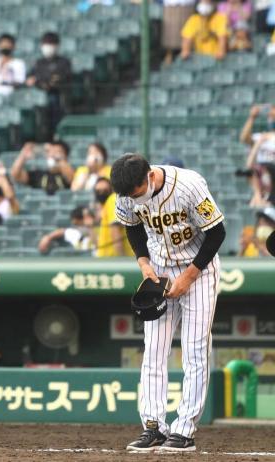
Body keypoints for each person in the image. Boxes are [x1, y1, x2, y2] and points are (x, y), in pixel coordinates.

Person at [112, 154, 225, 453]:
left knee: (195, 351)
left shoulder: (189, 185)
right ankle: (153, 426)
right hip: (160, 270)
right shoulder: (126, 194)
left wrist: (189, 277)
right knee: (154, 351)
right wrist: (143, 262)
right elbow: (132, 226)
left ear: (149, 177)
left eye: (136, 192)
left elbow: (217, 233)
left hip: (197, 269)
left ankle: (184, 429)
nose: (133, 199)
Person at [26, 32, 71, 134]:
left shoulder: (63, 62)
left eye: (50, 44)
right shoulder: (39, 62)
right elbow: (30, 79)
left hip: (55, 94)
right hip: (37, 93)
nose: (47, 47)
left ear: (57, 46)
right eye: (45, 44)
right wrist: (40, 82)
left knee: (52, 101)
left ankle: (54, 132)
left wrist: (40, 81)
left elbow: (57, 79)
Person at [93, 178, 127, 257]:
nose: (101, 193)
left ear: (111, 190)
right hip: (107, 260)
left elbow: (115, 229)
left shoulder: (112, 199)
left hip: (114, 261)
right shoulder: (104, 209)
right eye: (98, 191)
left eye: (105, 190)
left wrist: (122, 261)